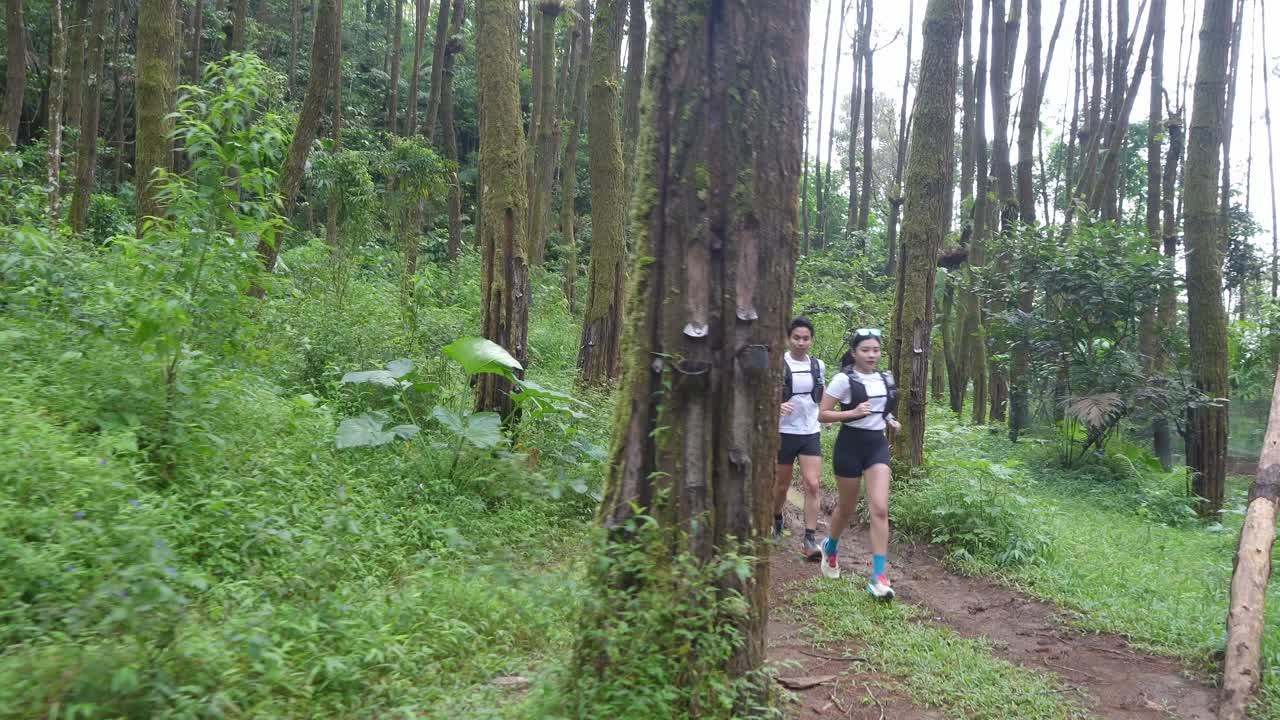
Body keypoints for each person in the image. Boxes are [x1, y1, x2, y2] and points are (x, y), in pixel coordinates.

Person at [817, 328, 899, 599]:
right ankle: (831, 547)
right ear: (854, 352)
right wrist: (851, 413)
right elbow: (823, 414)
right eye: (865, 350)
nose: (872, 355)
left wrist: (889, 421)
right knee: (847, 507)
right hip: (849, 446)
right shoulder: (843, 379)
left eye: (875, 350)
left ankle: (879, 576)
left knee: (879, 508)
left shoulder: (885, 378)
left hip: (876, 446)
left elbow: (882, 409)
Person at [774, 317, 825, 560]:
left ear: (812, 340)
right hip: (784, 432)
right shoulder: (779, 362)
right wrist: (776, 405)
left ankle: (809, 538)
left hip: (810, 431)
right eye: (796, 337)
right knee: (781, 486)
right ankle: (775, 517)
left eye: (805, 338)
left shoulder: (818, 366)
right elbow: (764, 394)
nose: (801, 342)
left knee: (812, 484)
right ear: (788, 338)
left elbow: (822, 396)